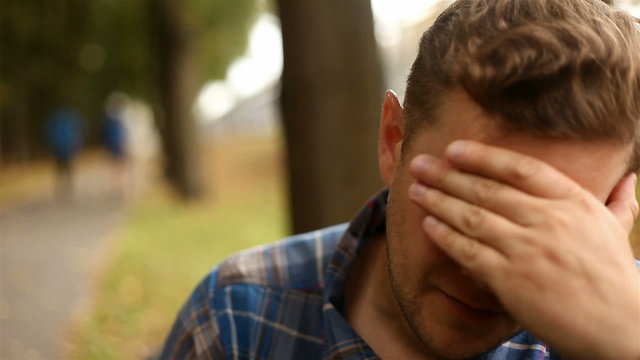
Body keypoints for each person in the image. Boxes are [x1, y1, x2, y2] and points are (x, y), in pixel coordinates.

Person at [161, 0, 640, 358]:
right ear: (394, 141)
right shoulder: (238, 318)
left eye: (551, 222)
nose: (483, 269)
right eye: (464, 202)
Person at [45, 106, 83, 198]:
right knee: (69, 171)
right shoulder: (70, 121)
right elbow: (76, 136)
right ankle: (69, 189)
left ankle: (58, 190)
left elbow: (48, 135)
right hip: (69, 150)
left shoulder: (54, 122)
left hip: (57, 150)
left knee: (58, 171)